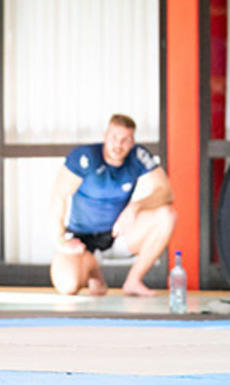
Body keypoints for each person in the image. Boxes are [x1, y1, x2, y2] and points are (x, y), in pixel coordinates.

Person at [48, 115, 176, 297]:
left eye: (125, 140)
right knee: (67, 285)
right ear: (105, 136)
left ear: (132, 142)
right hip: (82, 241)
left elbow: (166, 192)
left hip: (118, 235)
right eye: (115, 137)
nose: (119, 145)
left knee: (167, 216)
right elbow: (58, 195)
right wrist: (59, 240)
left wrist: (135, 207)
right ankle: (93, 272)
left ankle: (133, 281)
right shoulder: (85, 156)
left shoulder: (138, 156)